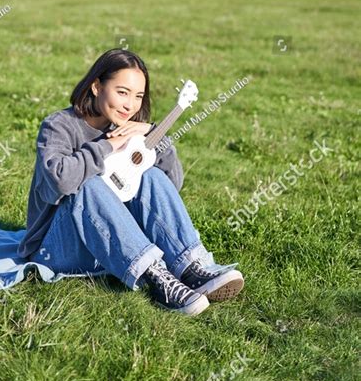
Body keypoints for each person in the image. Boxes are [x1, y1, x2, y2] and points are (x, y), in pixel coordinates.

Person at [17, 49, 244, 316]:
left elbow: (172, 184)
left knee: (151, 174)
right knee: (88, 184)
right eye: (122, 92)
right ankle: (157, 278)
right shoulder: (59, 126)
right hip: (56, 249)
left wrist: (152, 134)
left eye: (138, 96)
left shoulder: (132, 130)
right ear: (96, 86)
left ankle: (190, 267)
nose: (130, 105)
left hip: (107, 246)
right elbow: (60, 182)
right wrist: (108, 146)